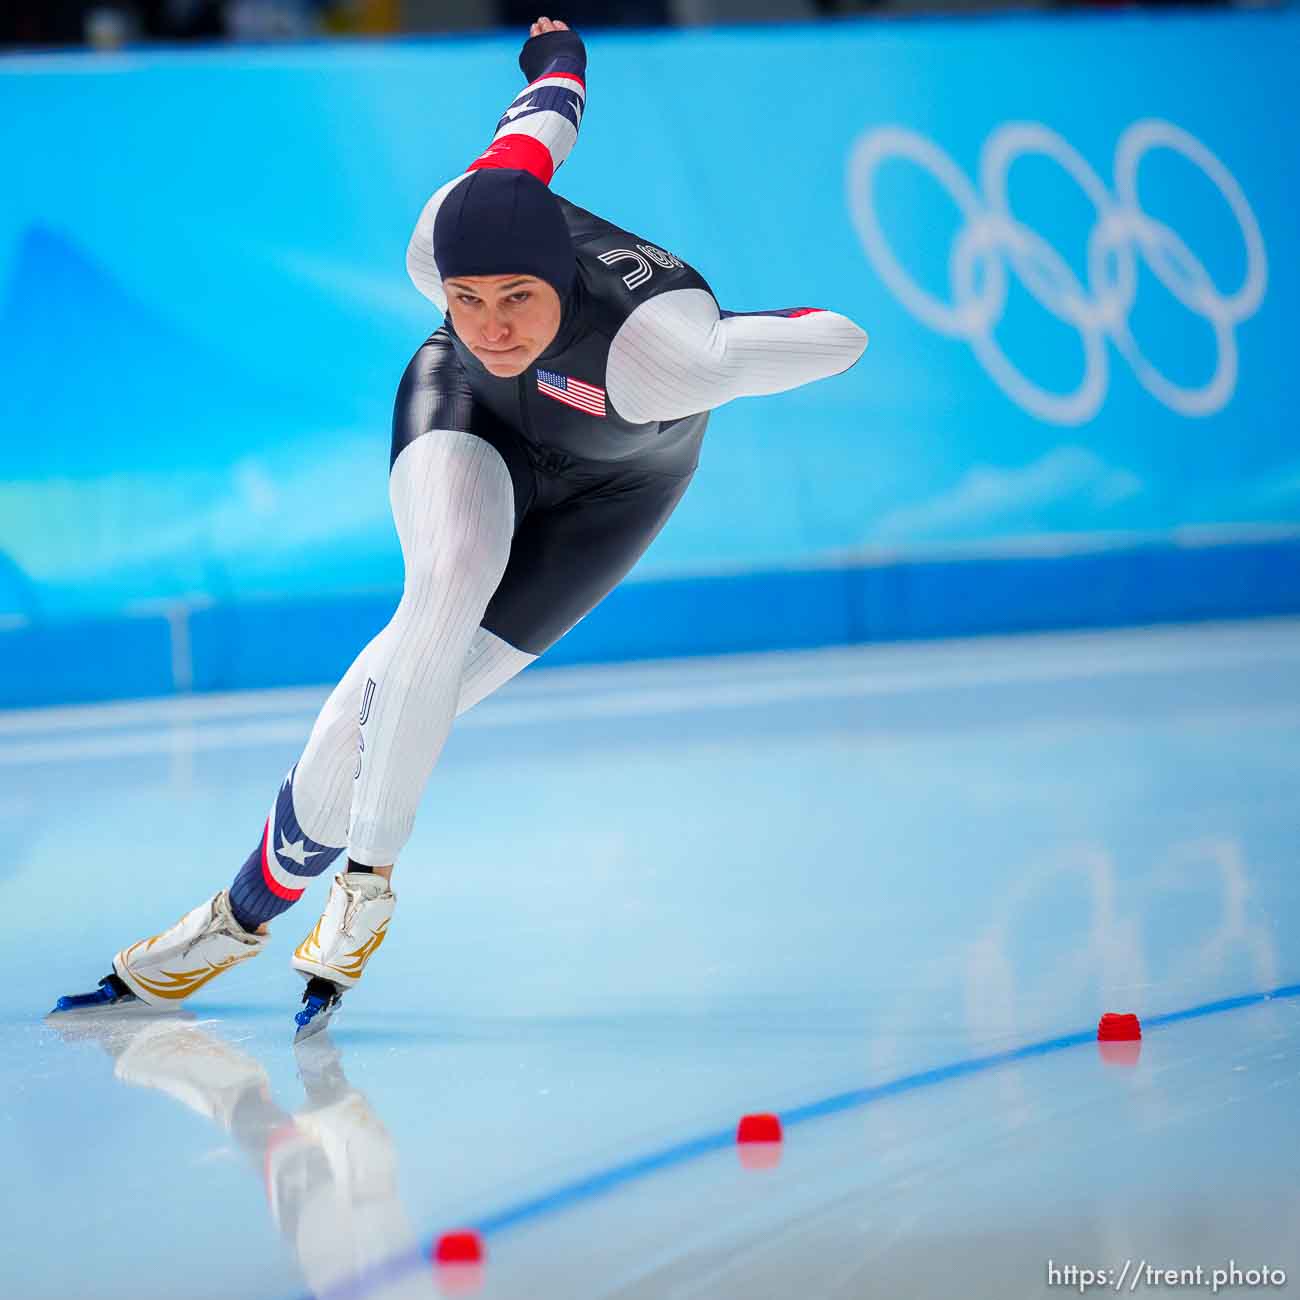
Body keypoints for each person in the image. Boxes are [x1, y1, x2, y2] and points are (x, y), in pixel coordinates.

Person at [53, 15, 869, 1036]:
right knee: (429, 612)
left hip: (617, 488)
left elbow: (839, 337)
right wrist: (557, 55)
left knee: (402, 696)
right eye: (465, 299)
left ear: (562, 282)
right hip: (470, 416)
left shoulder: (665, 351)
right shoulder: (444, 248)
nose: (490, 327)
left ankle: (239, 915)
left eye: (516, 300)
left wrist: (740, 351)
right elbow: (537, 123)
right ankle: (343, 894)